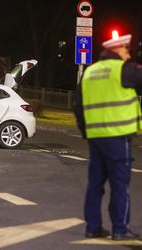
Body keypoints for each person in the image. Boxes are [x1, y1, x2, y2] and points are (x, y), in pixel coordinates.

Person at [74, 32, 142, 241]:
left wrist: (86, 131)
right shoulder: (124, 69)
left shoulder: (89, 72)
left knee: (95, 183)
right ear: (118, 50)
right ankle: (120, 229)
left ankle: (93, 227)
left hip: (96, 137)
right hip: (118, 137)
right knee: (119, 184)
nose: (128, 55)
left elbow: (77, 105)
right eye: (126, 51)